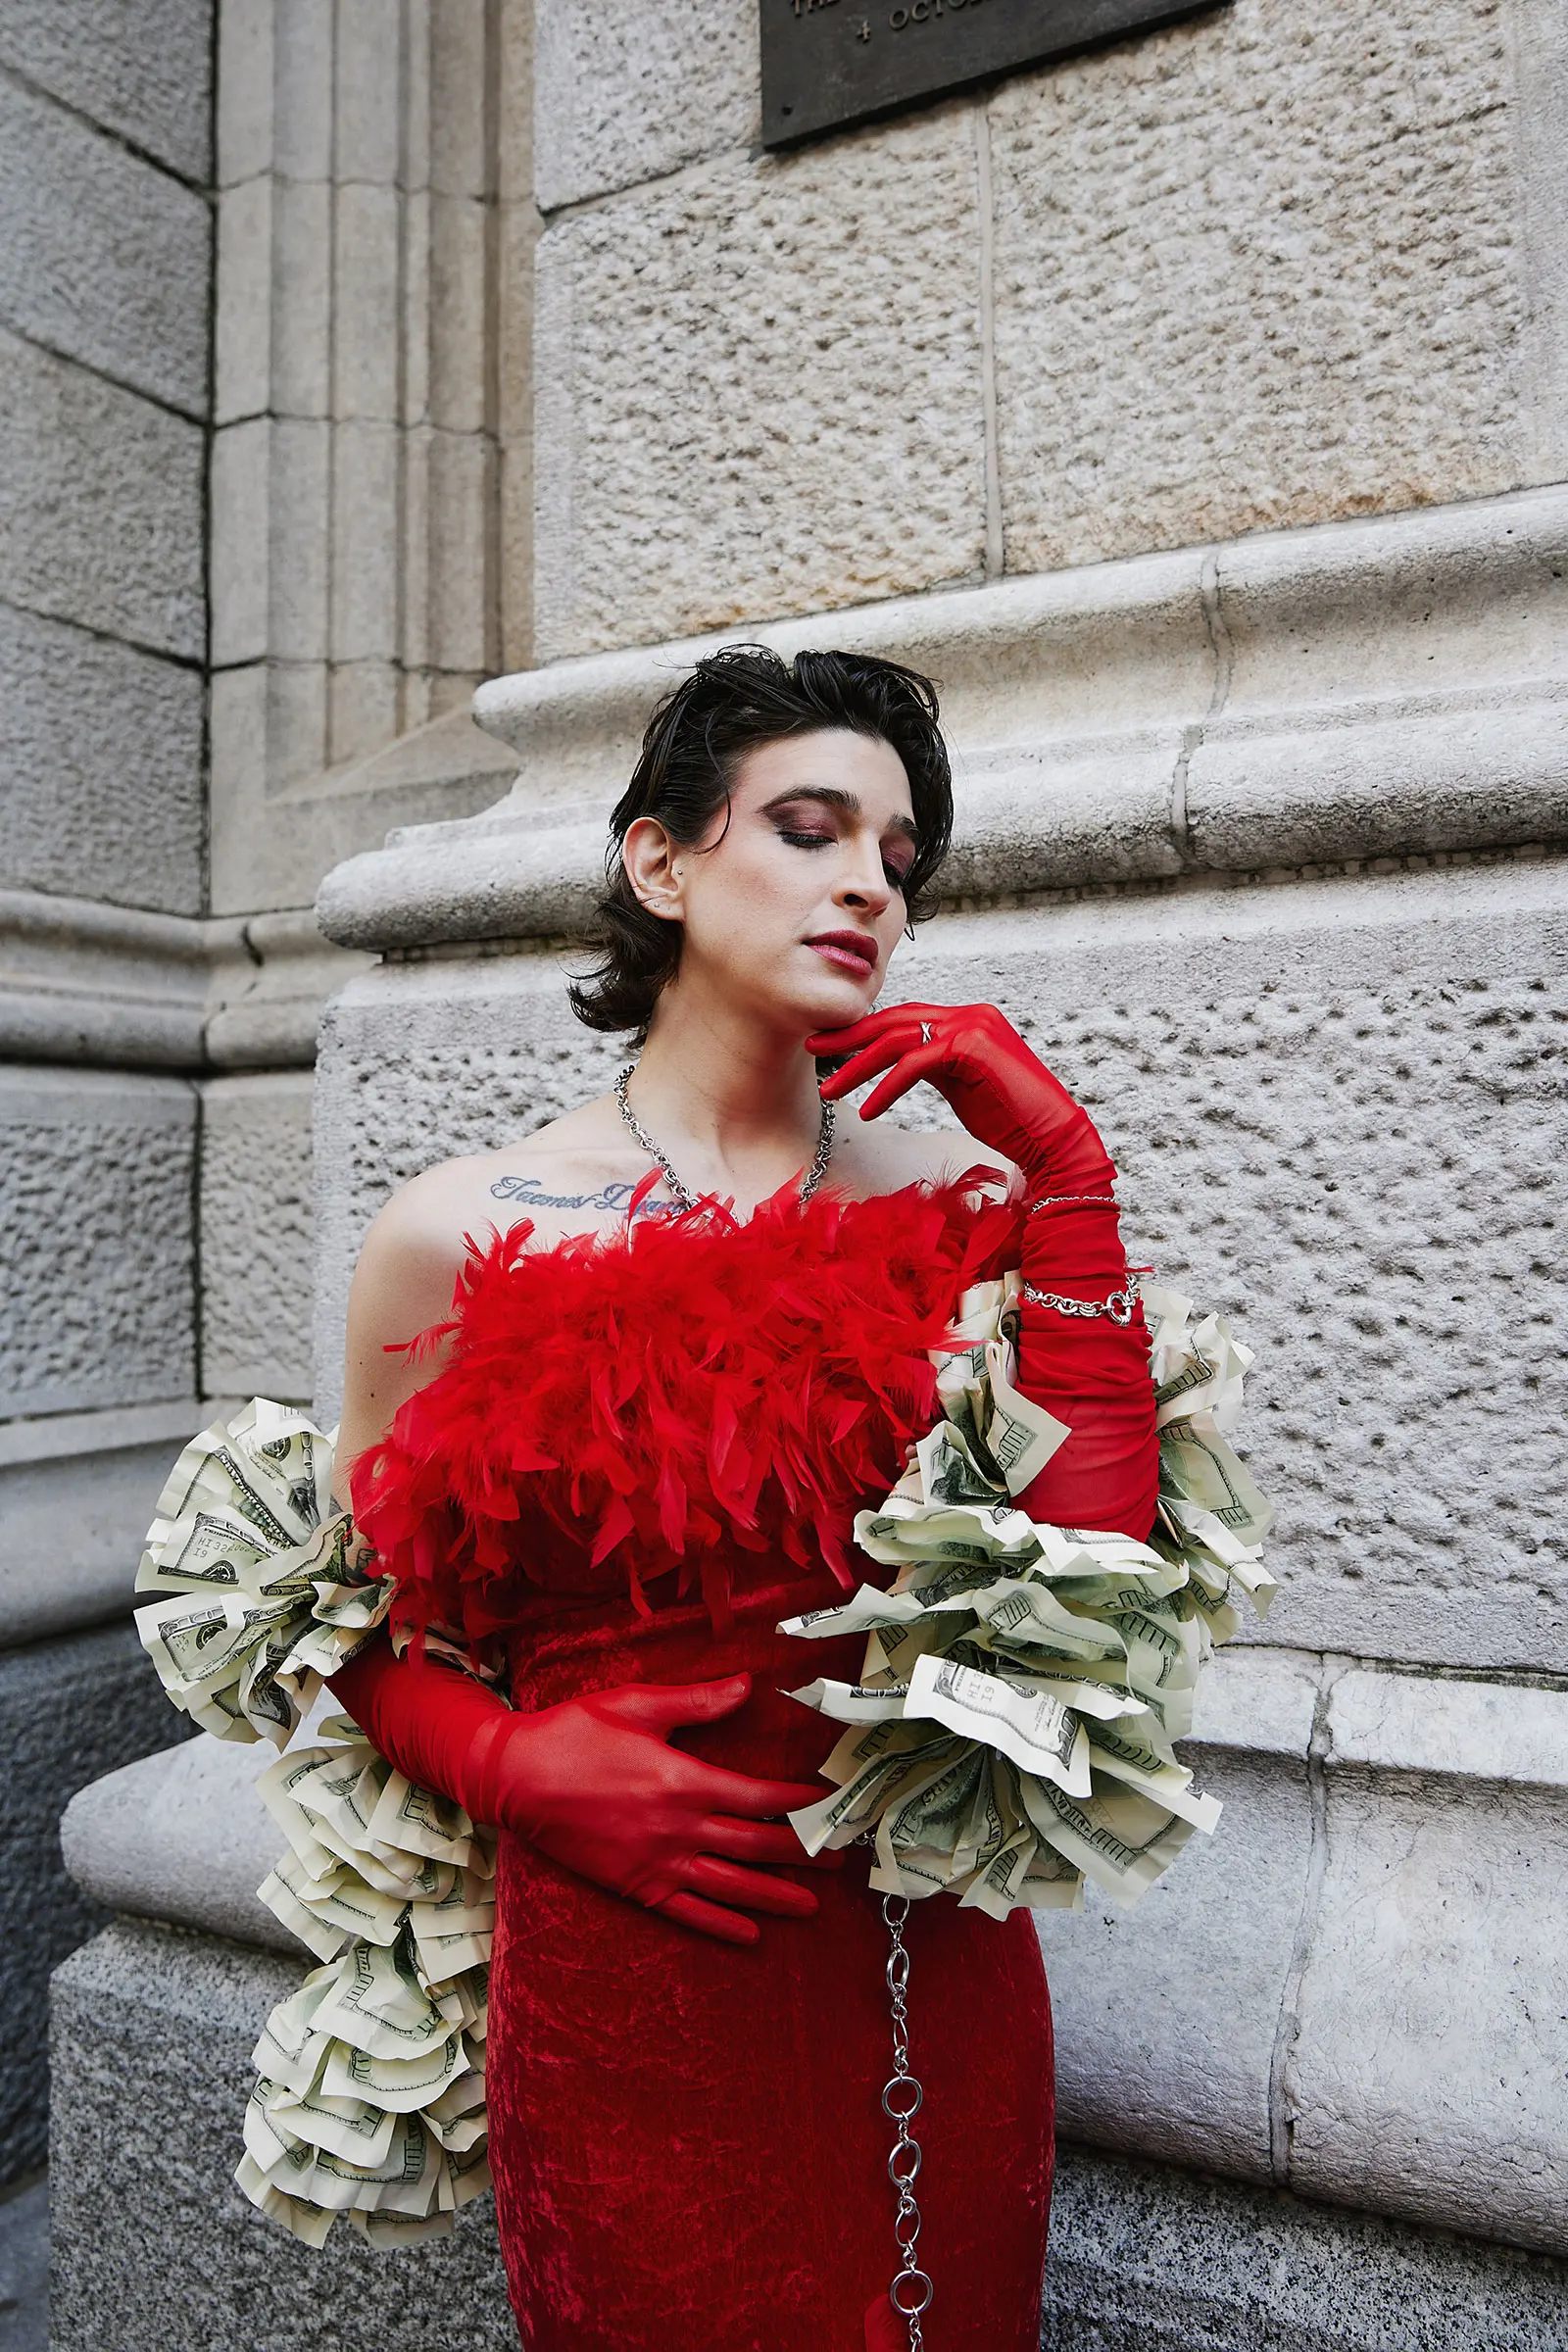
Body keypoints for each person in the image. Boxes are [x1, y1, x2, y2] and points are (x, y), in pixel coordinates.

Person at [325, 646, 1159, 2351]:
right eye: (809, 825)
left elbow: (1096, 1572)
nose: (870, 882)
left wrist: (1069, 1186)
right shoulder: (462, 1228)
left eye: (900, 857)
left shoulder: (960, 1211)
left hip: (934, 1977)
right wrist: (510, 1763)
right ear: (661, 861)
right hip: (627, 1982)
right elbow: (332, 1621)